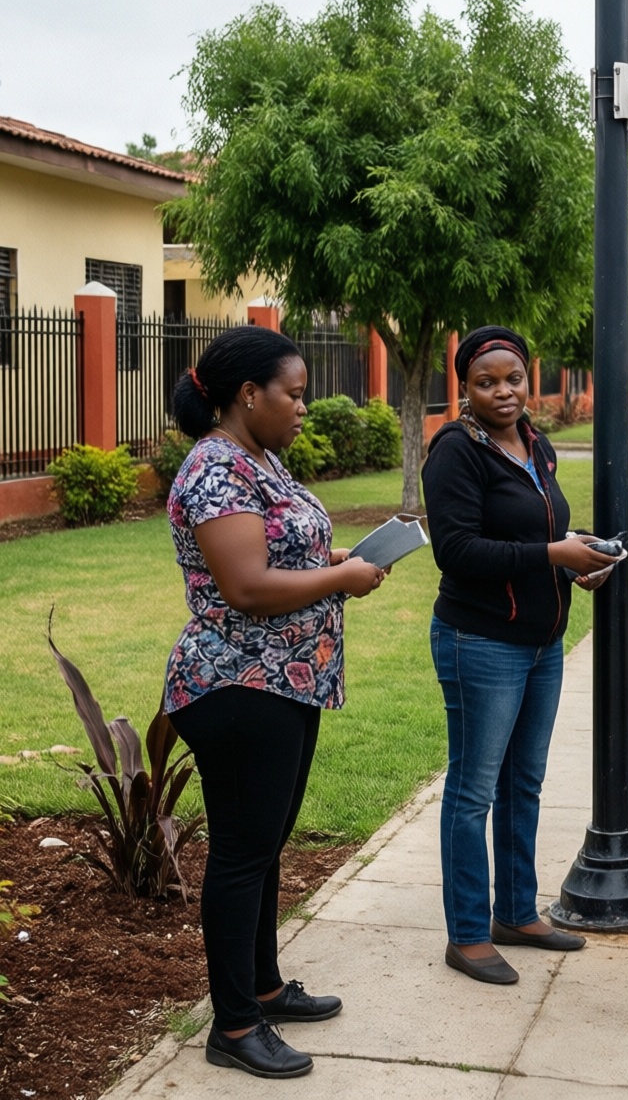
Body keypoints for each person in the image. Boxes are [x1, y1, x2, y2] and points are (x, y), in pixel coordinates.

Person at [164, 325, 388, 1080]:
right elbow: (248, 586)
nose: (302, 407)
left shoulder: (261, 458)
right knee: (239, 854)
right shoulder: (214, 471)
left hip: (290, 680)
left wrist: (337, 556)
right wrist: (340, 580)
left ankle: (262, 986)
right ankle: (233, 1027)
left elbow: (282, 548)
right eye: (293, 394)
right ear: (248, 394)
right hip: (238, 684)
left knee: (263, 849)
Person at [421, 325, 617, 986]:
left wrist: (574, 566)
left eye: (512, 379)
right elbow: (458, 552)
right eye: (486, 382)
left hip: (541, 643)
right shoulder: (455, 450)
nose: (503, 392)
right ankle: (469, 934)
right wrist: (552, 555)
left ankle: (516, 913)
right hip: (480, 642)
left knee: (522, 783)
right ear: (465, 388)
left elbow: (543, 532)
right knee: (474, 789)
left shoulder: (537, 444)